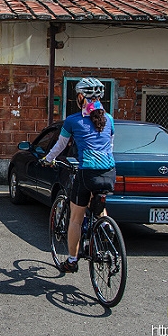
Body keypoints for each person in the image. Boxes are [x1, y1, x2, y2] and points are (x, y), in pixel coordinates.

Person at [41, 77, 116, 273]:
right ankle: (106, 233)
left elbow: (60, 145)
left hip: (87, 172)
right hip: (109, 172)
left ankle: (72, 260)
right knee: (99, 207)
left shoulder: (73, 120)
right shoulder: (109, 119)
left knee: (76, 218)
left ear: (81, 97)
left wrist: (48, 159)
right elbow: (110, 146)